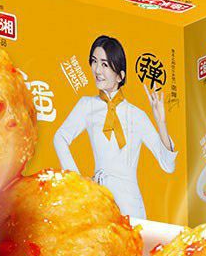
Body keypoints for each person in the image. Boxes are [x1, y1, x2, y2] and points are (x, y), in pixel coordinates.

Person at [53, 35, 177, 219]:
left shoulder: (137, 115)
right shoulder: (87, 105)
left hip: (130, 206)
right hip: (100, 202)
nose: (97, 70)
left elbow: (168, 165)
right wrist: (78, 183)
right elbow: (60, 137)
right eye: (94, 61)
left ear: (120, 75)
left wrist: (161, 123)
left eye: (104, 64)